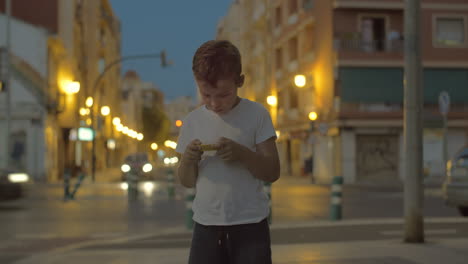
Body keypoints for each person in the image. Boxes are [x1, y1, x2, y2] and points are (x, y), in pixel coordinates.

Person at [175, 40, 280, 264]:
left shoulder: (257, 114)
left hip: (250, 224)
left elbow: (272, 171)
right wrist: (188, 160)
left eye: (223, 95)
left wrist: (242, 154)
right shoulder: (192, 122)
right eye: (206, 95)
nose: (214, 103)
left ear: (239, 81)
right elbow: (185, 180)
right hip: (206, 226)